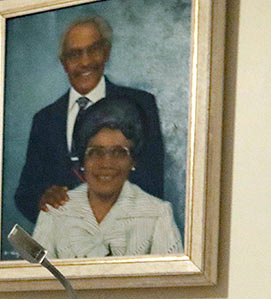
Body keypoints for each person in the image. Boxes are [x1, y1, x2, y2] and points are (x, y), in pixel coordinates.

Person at [12, 15, 165, 224]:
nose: (85, 62)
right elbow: (25, 194)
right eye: (75, 54)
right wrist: (44, 201)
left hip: (127, 242)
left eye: (93, 50)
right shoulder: (44, 120)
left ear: (106, 53)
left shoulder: (141, 105)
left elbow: (153, 183)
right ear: (64, 63)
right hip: (66, 245)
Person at [31, 97, 182, 258]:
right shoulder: (54, 212)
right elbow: (35, 280)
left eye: (118, 152)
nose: (106, 163)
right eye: (96, 152)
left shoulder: (158, 214)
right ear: (83, 160)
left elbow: (171, 281)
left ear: (133, 160)